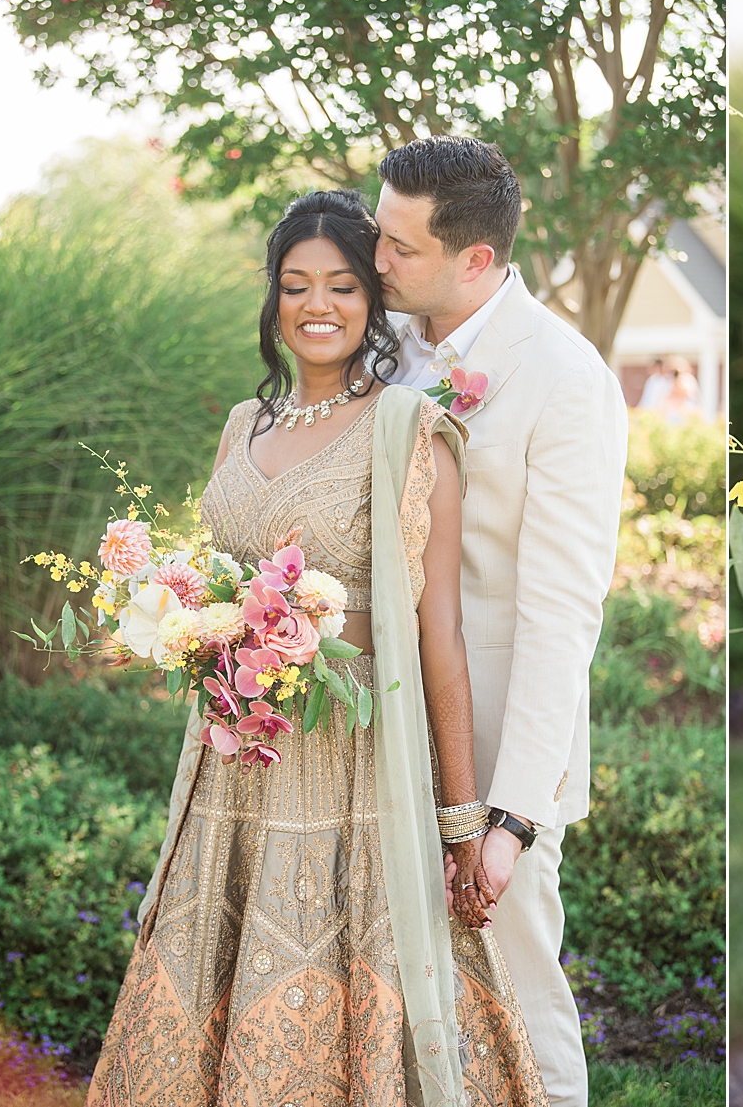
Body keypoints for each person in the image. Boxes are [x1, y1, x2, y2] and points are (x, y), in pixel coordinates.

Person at [87, 190, 548, 1106]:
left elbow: (437, 632)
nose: (318, 305)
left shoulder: (410, 430)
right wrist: (193, 629)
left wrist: (462, 821)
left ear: (374, 302)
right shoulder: (240, 425)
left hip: (354, 755)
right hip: (236, 762)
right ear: (274, 300)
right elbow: (220, 578)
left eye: (342, 284)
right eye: (296, 285)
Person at [374, 136, 628, 1107]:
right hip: (380, 720)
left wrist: (511, 817)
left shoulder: (565, 376)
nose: (377, 259)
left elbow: (563, 610)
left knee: (516, 995)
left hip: (494, 741)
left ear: (473, 258)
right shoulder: (387, 349)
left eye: (399, 244)